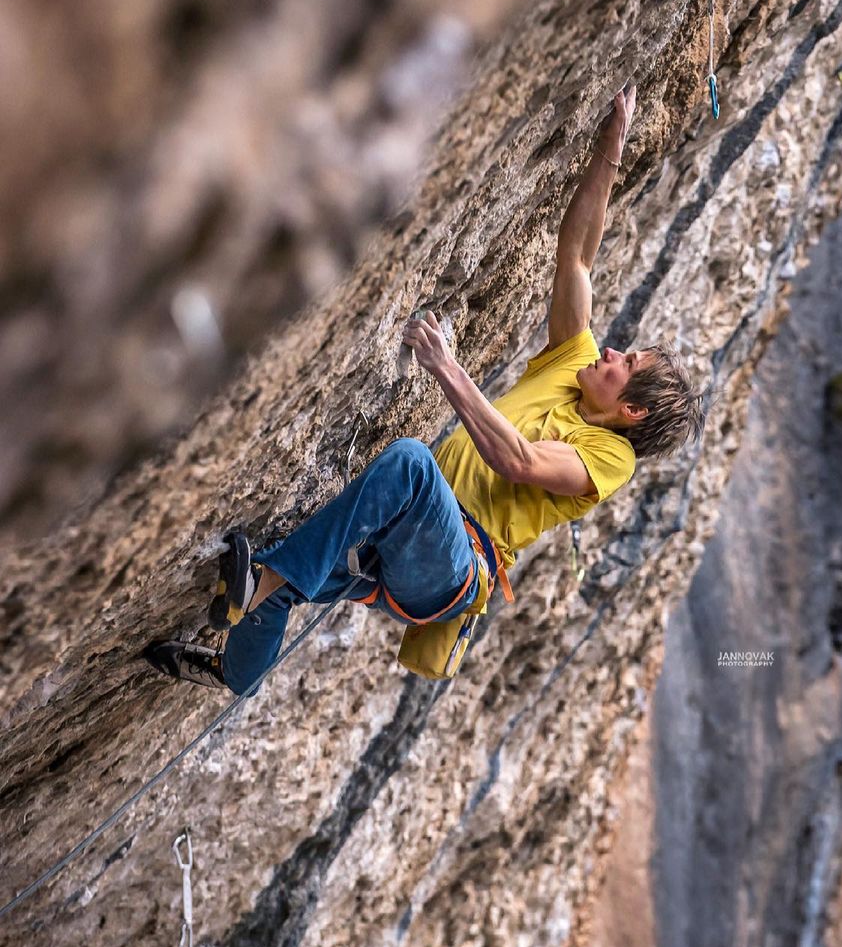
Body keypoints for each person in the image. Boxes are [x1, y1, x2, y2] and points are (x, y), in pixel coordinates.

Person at [144, 84, 705, 692]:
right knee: (291, 563)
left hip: (452, 565)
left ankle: (262, 587)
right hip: (411, 537)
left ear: (629, 409)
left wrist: (447, 367)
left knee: (409, 465)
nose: (614, 350)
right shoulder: (575, 366)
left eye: (627, 361)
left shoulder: (611, 458)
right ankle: (239, 669)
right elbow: (577, 258)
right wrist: (611, 148)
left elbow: (517, 460)